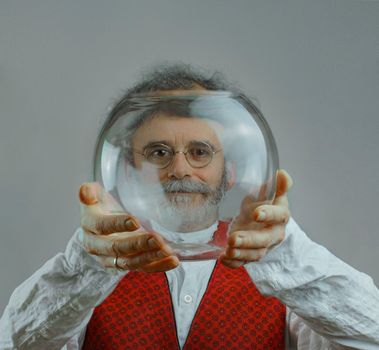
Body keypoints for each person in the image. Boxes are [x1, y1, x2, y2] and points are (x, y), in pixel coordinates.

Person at [0, 64, 378, 350]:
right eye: (158, 152)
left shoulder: (281, 272)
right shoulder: (95, 269)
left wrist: (282, 253)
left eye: (199, 152)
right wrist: (87, 265)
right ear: (130, 170)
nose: (179, 168)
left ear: (228, 172)